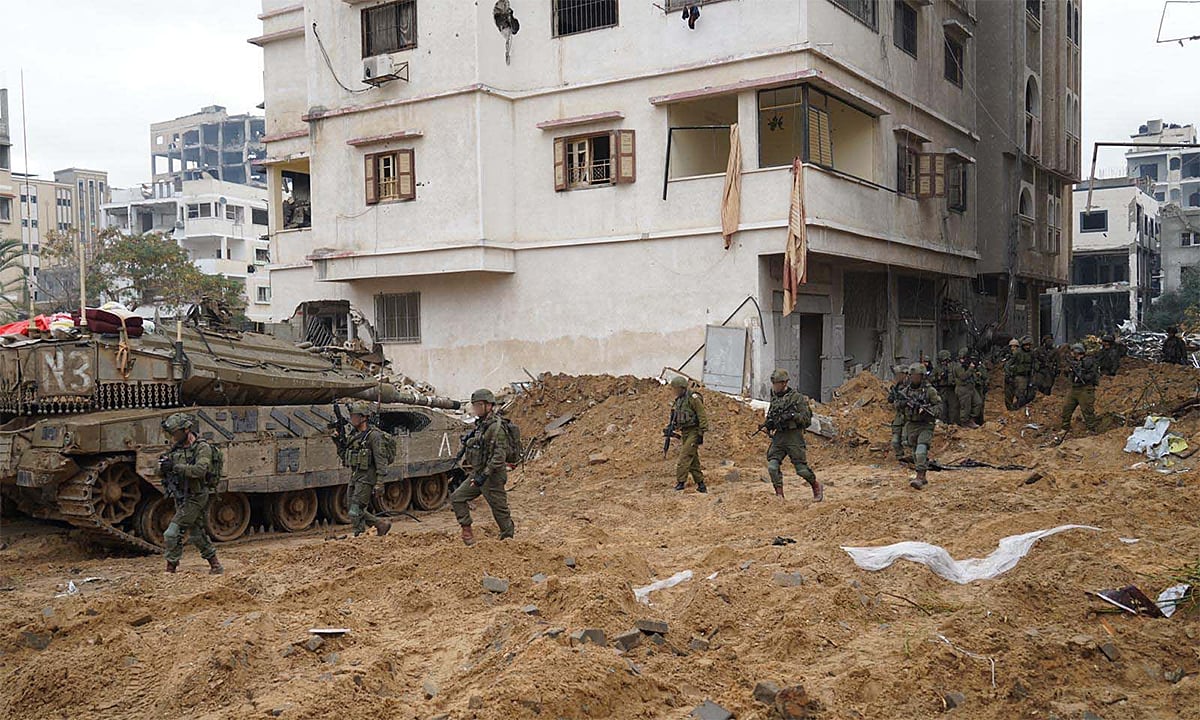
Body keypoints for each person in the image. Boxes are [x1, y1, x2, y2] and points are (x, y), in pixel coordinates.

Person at [158, 413, 224, 574]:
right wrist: (163, 466)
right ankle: (215, 565)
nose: (173, 437)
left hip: (196, 495)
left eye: (175, 433)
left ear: (186, 430)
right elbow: (161, 470)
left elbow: (200, 470)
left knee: (171, 533)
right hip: (181, 495)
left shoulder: (202, 448)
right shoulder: (177, 448)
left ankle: (170, 568)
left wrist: (174, 467)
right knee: (196, 533)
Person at [450, 389, 515, 545]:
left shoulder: (496, 428)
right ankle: (467, 531)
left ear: (489, 406)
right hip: (478, 473)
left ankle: (508, 541)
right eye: (475, 406)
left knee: (500, 510)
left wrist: (483, 476)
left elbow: (499, 457)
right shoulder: (481, 425)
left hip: (492, 476)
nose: (476, 409)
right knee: (457, 497)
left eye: (479, 405)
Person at [763, 369, 823, 501]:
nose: (774, 386)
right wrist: (768, 425)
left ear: (784, 383)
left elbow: (806, 419)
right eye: (773, 383)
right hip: (779, 437)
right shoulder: (775, 397)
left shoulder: (797, 398)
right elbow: (772, 416)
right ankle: (780, 495)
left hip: (794, 437)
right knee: (772, 467)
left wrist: (792, 416)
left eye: (777, 383)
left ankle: (816, 486)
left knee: (801, 470)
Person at [341, 401, 393, 538]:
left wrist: (380, 482)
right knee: (350, 505)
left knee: (355, 509)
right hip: (356, 474)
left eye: (355, 416)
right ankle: (380, 524)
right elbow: (344, 454)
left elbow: (381, 460)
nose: (352, 419)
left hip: (367, 477)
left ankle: (360, 535)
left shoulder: (374, 436)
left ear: (363, 417)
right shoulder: (354, 435)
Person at [899, 363, 941, 490]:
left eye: (916, 376)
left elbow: (939, 407)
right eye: (912, 375)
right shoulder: (905, 391)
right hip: (911, 424)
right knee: (914, 451)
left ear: (922, 376)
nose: (913, 378)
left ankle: (919, 475)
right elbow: (897, 404)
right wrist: (904, 404)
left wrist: (927, 410)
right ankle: (922, 476)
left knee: (921, 450)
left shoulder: (930, 391)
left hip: (926, 424)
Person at [668, 376, 709, 492]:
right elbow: (677, 416)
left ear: (682, 388)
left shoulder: (693, 398)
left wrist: (701, 433)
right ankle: (701, 484)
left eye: (676, 389)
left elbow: (702, 415)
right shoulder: (679, 400)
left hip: (694, 431)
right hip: (685, 432)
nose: (674, 391)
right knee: (693, 460)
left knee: (684, 457)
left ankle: (681, 482)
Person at [1061, 344, 1100, 433]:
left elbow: (1092, 375)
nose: (1072, 354)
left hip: (1085, 389)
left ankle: (1091, 429)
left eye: (1073, 352)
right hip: (1074, 388)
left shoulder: (1089, 362)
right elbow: (1065, 372)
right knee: (1066, 408)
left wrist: (1082, 375)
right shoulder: (1073, 361)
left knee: (1087, 410)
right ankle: (1065, 427)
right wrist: (1069, 370)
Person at [1004, 336, 1035, 410]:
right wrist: (1008, 374)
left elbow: (1033, 364)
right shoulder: (1018, 353)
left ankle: (1017, 407)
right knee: (1018, 394)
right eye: (1026, 345)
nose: (1027, 347)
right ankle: (1014, 408)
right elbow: (1008, 364)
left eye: (1029, 345)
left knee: (1030, 394)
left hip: (1028, 375)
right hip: (1019, 375)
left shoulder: (1031, 353)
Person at [953, 347, 980, 429]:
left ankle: (971, 420)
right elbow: (963, 377)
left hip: (970, 387)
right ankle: (964, 423)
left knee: (978, 403)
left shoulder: (967, 365)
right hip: (963, 389)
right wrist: (971, 369)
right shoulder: (958, 366)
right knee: (965, 407)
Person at [931, 350, 960, 425]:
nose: (945, 362)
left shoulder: (954, 366)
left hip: (952, 389)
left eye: (946, 360)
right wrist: (939, 377)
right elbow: (930, 378)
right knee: (943, 407)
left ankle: (953, 424)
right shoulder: (937, 368)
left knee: (953, 408)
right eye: (943, 360)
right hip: (942, 389)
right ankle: (944, 423)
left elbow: (960, 376)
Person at [886, 364, 909, 459]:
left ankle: (915, 457)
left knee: (906, 439)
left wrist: (903, 402)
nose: (896, 376)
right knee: (895, 441)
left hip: (910, 416)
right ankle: (900, 457)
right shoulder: (896, 387)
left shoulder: (912, 386)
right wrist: (892, 397)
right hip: (899, 416)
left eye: (898, 374)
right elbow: (890, 399)